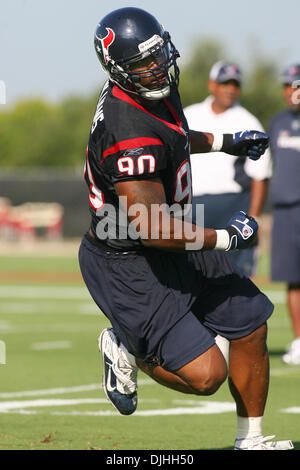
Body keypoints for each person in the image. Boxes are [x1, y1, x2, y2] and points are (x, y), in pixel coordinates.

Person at [78, 7, 293, 450]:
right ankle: (125, 343)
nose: (156, 69)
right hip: (130, 258)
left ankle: (250, 440)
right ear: (118, 70)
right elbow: (152, 226)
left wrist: (223, 141)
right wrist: (226, 237)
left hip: (172, 230)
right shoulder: (126, 131)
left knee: (251, 321)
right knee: (206, 375)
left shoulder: (150, 89)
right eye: (143, 64)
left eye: (158, 56)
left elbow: (172, 134)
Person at [184, 61, 272, 278]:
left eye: (235, 84)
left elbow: (260, 174)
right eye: (225, 83)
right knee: (191, 272)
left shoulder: (248, 121)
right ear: (212, 85)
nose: (230, 89)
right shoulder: (190, 114)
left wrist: (254, 217)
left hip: (233, 204)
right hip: (194, 204)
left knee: (235, 275)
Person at [269, 64, 300, 365]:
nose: (294, 91)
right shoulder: (276, 123)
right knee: (292, 278)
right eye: (290, 85)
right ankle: (299, 340)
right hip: (286, 209)